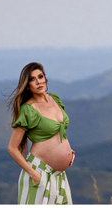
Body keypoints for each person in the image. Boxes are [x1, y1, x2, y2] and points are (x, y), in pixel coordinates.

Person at [7, 62, 75, 204]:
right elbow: (12, 148)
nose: (38, 81)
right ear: (27, 85)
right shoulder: (29, 109)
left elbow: (59, 129)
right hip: (40, 172)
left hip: (59, 175)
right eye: (32, 79)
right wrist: (34, 174)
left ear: (45, 78)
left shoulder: (54, 99)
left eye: (40, 76)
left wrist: (68, 150)